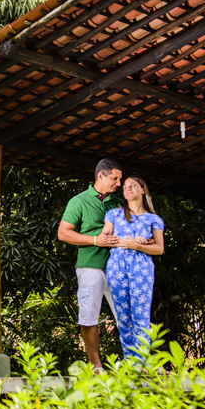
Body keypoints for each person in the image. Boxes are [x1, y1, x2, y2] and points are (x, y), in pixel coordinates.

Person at [57, 158, 123, 372]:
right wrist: (96, 240)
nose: (119, 184)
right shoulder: (79, 201)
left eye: (120, 179)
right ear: (101, 176)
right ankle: (96, 366)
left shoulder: (117, 203)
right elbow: (63, 233)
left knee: (127, 314)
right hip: (90, 266)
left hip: (117, 267)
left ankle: (139, 363)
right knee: (88, 315)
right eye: (115, 178)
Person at [102, 176, 164, 361]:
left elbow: (159, 248)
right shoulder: (114, 214)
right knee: (123, 316)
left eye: (133, 186)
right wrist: (128, 241)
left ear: (143, 190)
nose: (128, 189)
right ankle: (131, 363)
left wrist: (138, 246)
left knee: (141, 315)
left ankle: (143, 362)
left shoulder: (153, 219)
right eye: (125, 187)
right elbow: (105, 239)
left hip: (141, 268)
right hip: (116, 267)